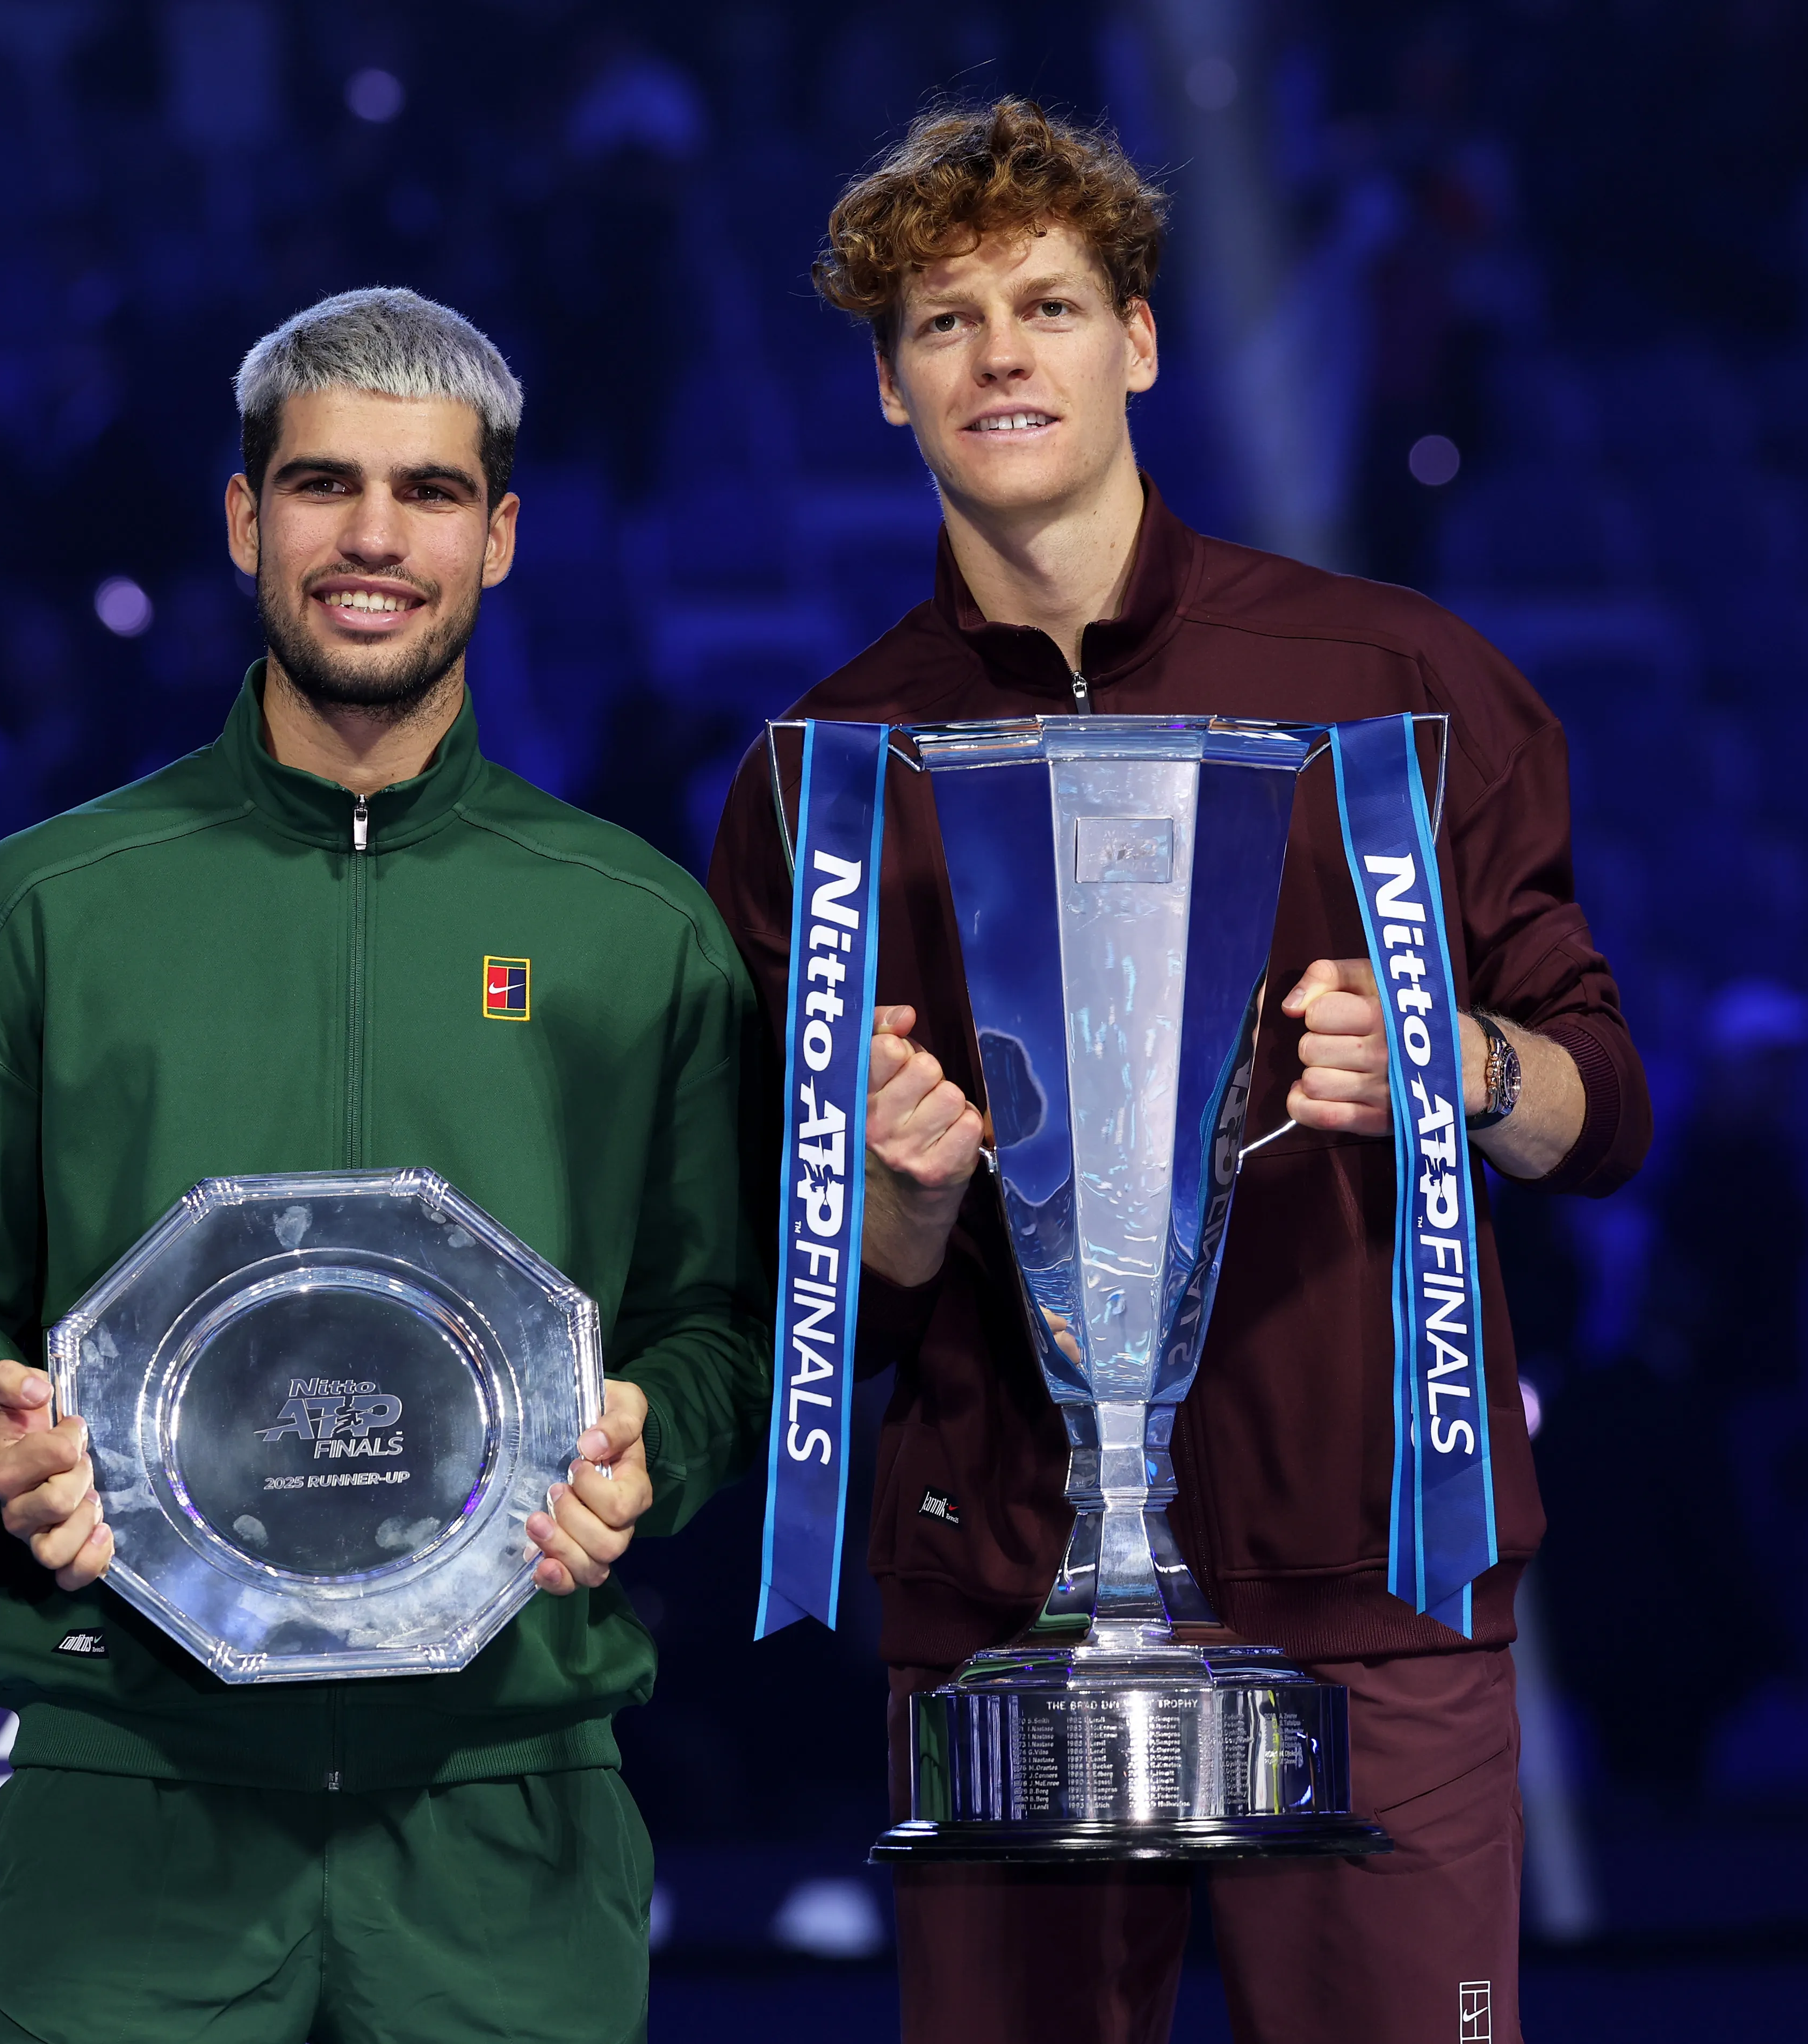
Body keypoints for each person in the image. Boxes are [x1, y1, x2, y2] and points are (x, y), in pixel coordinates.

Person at [704, 103, 1653, 2044]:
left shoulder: (1397, 687)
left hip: (1369, 1577)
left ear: (1139, 341)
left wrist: (1457, 1064)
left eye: (1047, 303)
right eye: (945, 321)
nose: (1000, 354)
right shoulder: (824, 779)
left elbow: (1604, 1104)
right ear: (889, 387)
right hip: (1002, 1613)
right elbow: (800, 1296)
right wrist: (887, 1205)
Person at [0, 287, 768, 2044]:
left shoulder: (639, 930)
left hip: (512, 1814)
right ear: (247, 517)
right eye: (325, 484)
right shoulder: (36, 913)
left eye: (426, 493)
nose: (372, 538)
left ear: (497, 535)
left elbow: (718, 1322)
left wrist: (663, 1442)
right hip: (132, 1810)